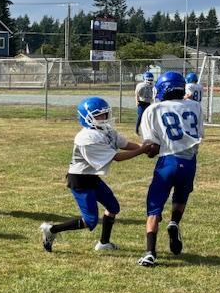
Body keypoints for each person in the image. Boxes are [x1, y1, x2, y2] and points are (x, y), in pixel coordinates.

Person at [40, 97, 151, 252]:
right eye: (99, 115)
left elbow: (125, 144)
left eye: (105, 113)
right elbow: (117, 157)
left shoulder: (106, 130)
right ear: (87, 117)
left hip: (91, 176)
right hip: (80, 179)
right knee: (90, 220)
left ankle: (104, 243)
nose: (104, 117)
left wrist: (144, 146)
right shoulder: (86, 137)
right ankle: (52, 230)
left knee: (113, 207)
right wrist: (142, 150)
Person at [138, 71, 204, 267]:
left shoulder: (153, 109)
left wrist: (147, 151)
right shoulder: (195, 106)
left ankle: (150, 253)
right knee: (181, 198)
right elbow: (199, 135)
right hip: (189, 162)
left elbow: (152, 146)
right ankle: (174, 222)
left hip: (167, 161)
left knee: (154, 208)